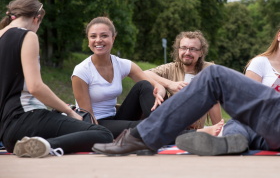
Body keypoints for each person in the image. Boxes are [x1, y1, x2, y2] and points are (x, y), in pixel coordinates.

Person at [0, 0, 113, 158]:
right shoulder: (27, 36)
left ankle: (36, 144)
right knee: (103, 134)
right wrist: (69, 111)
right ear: (37, 18)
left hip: (8, 135)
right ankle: (47, 145)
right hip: (27, 119)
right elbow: (35, 87)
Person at [92, 64, 280, 156]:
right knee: (240, 124)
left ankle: (143, 137)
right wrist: (168, 84)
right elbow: (147, 74)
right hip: (270, 131)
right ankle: (231, 140)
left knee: (215, 76)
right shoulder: (171, 67)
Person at [72, 17, 166, 138]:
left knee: (144, 86)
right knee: (143, 126)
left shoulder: (122, 64)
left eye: (104, 36)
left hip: (116, 118)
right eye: (93, 36)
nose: (98, 40)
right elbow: (87, 117)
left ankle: (161, 125)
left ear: (113, 38)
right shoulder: (81, 71)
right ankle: (168, 130)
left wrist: (160, 92)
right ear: (88, 40)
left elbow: (156, 86)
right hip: (97, 124)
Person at [145, 31, 223, 135]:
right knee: (148, 88)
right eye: (183, 48)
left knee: (211, 91)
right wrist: (169, 84)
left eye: (193, 49)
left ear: (201, 52)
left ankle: (219, 133)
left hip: (194, 126)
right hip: (171, 121)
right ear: (178, 50)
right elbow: (144, 73)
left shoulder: (209, 69)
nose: (187, 52)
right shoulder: (171, 68)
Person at [220, 28, 280, 151]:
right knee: (238, 123)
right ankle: (231, 142)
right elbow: (247, 103)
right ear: (279, 36)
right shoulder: (260, 63)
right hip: (259, 121)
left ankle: (235, 143)